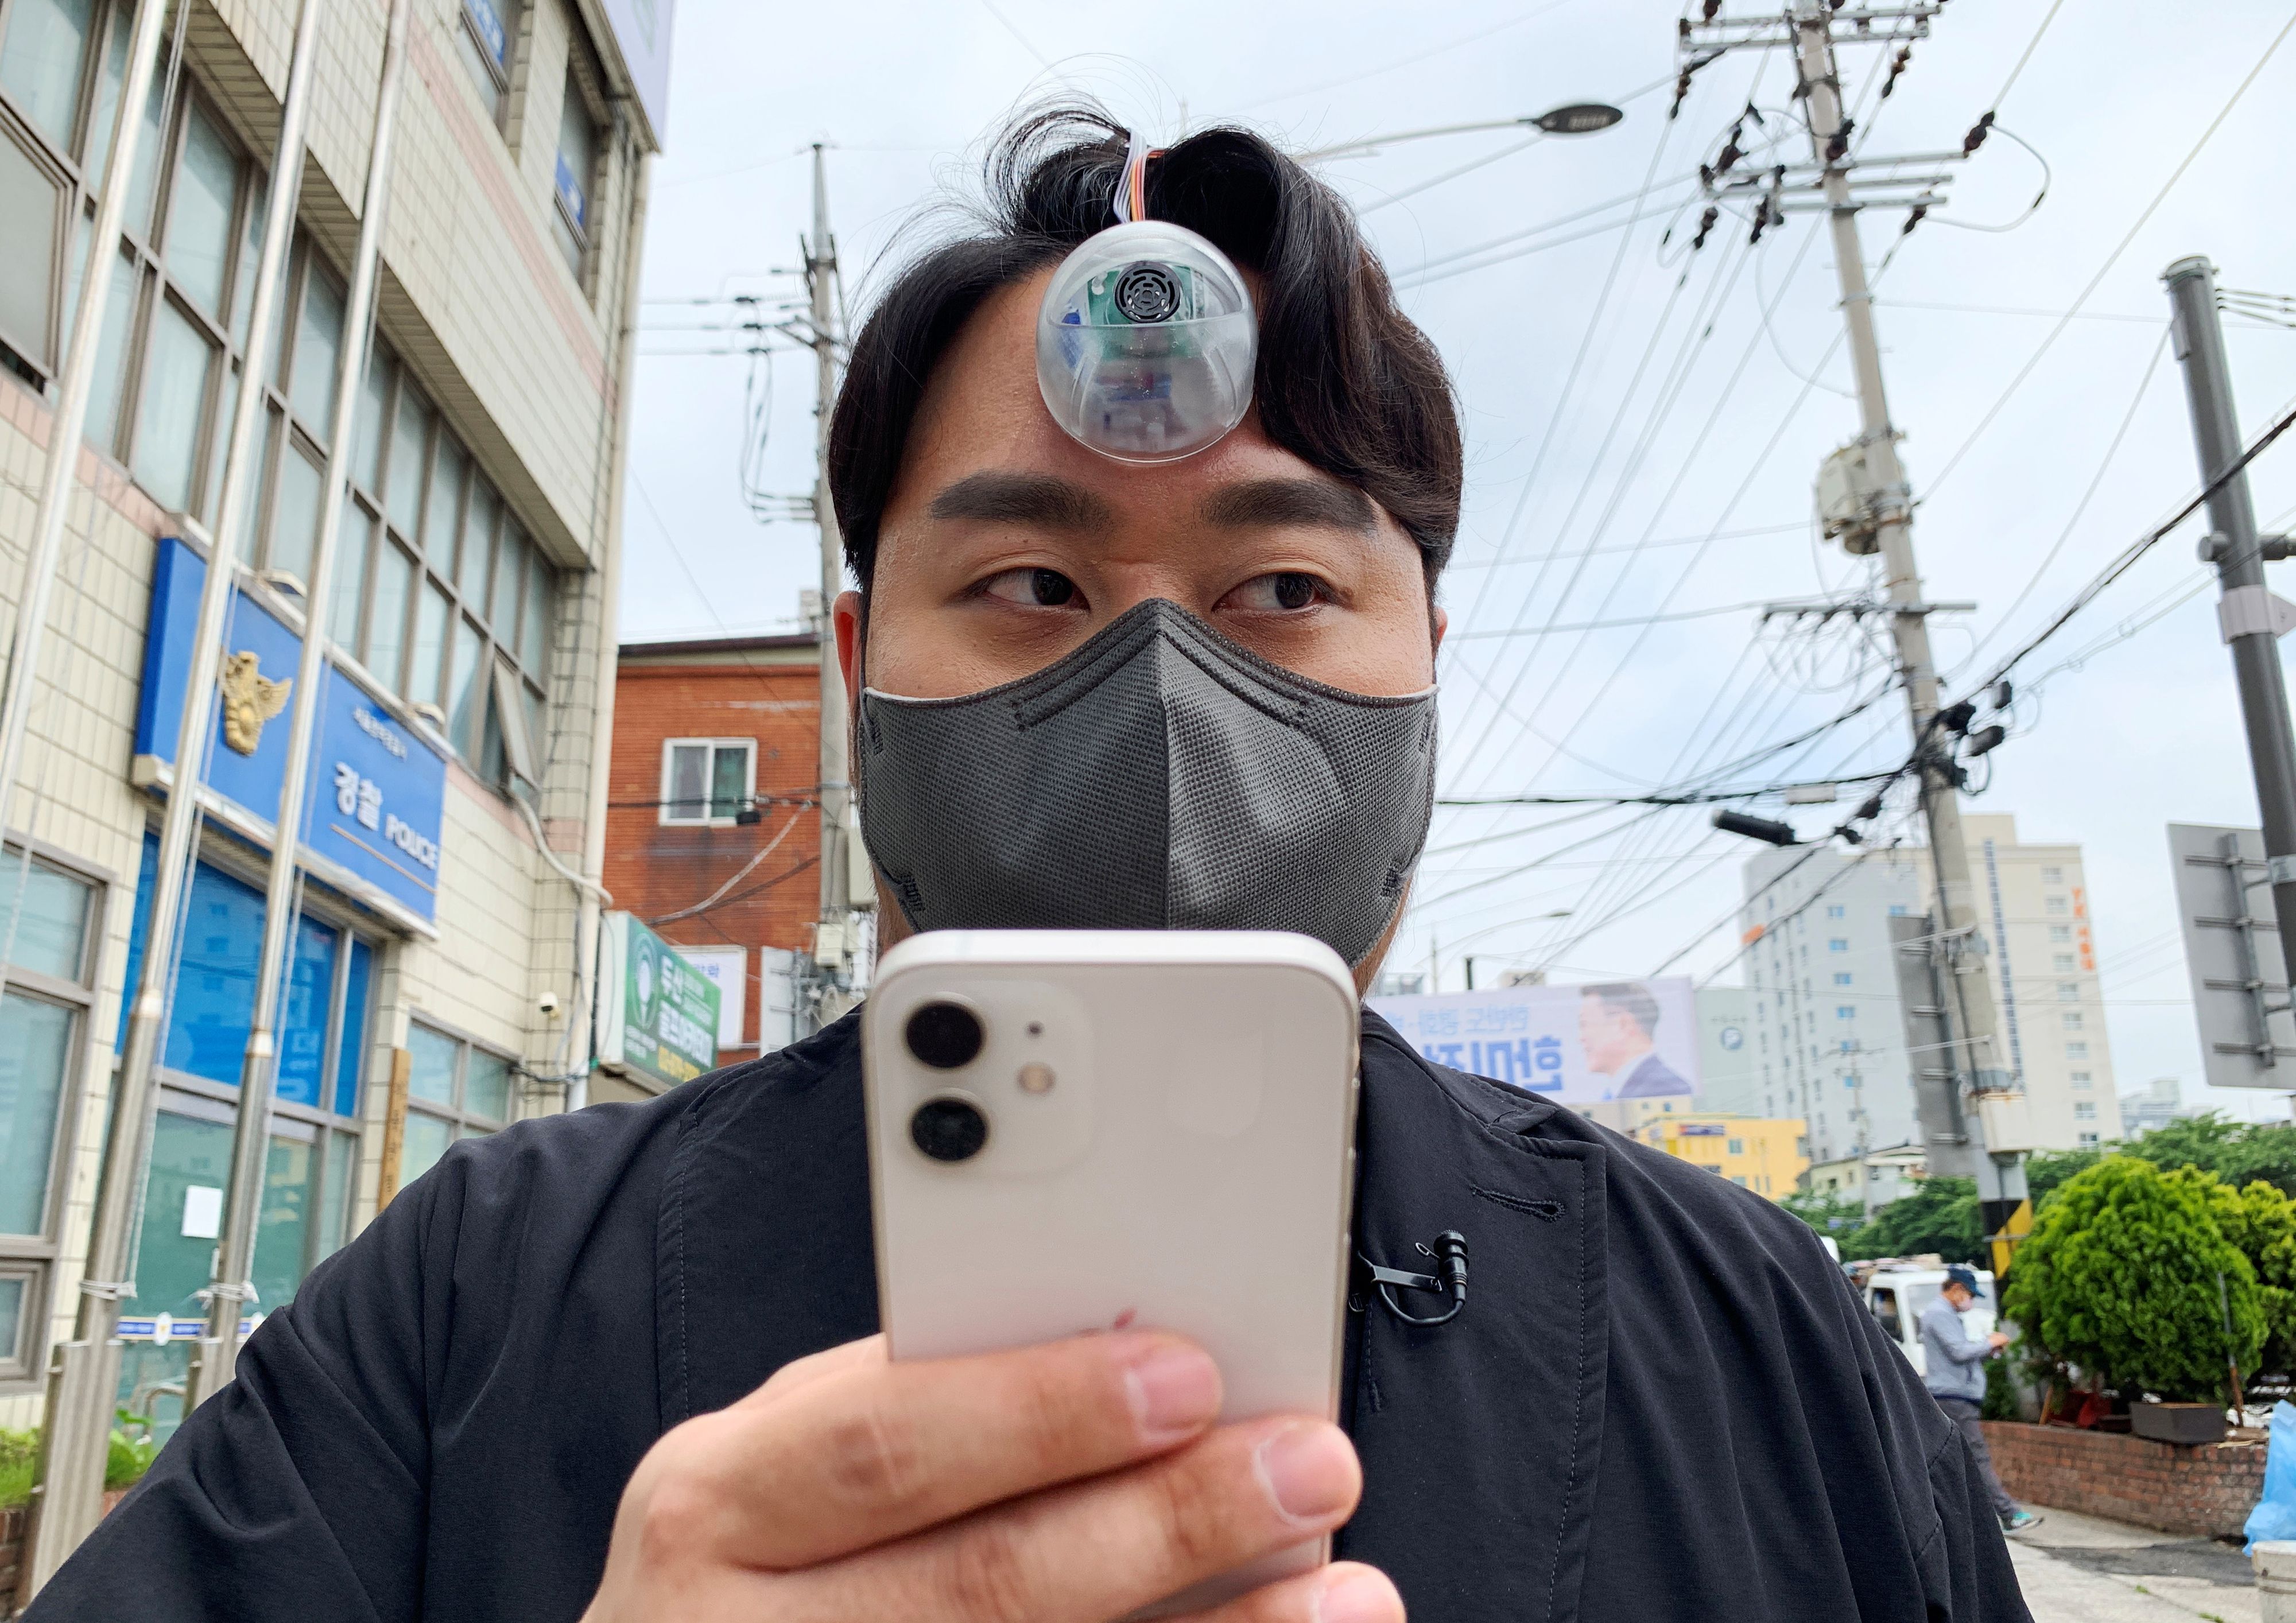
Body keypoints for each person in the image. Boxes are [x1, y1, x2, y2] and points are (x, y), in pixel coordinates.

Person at [29, 110, 2030, 1622]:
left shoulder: (1754, 1328)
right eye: (1031, 580)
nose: (1160, 696)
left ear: (1432, 668)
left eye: (1281, 584)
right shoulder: (474, 1298)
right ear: (853, 666)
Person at [1921, 1265, 2041, 1534]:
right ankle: (2009, 1514)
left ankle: (1963, 1519)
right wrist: (1991, 1342)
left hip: (1955, 1396)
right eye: (1969, 1294)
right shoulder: (1939, 1314)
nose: (1970, 1301)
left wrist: (1988, 1347)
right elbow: (1959, 1352)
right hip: (1954, 1398)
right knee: (1977, 1458)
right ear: (1956, 1289)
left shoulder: (1945, 1314)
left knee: (1958, 1459)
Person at [1578, 982, 1691, 1098]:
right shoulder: (1635, 1088)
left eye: (1584, 1024)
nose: (1581, 1038)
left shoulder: (1666, 1090)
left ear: (1623, 1024)